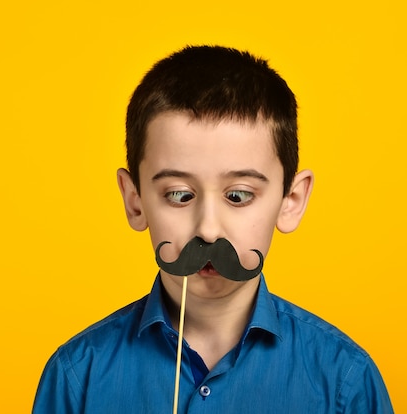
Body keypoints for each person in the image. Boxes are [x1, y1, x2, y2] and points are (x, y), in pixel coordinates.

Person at [32, 45, 393, 413]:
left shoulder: (345, 384)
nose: (207, 230)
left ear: (292, 201)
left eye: (237, 196)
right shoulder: (78, 378)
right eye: (178, 194)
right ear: (135, 200)